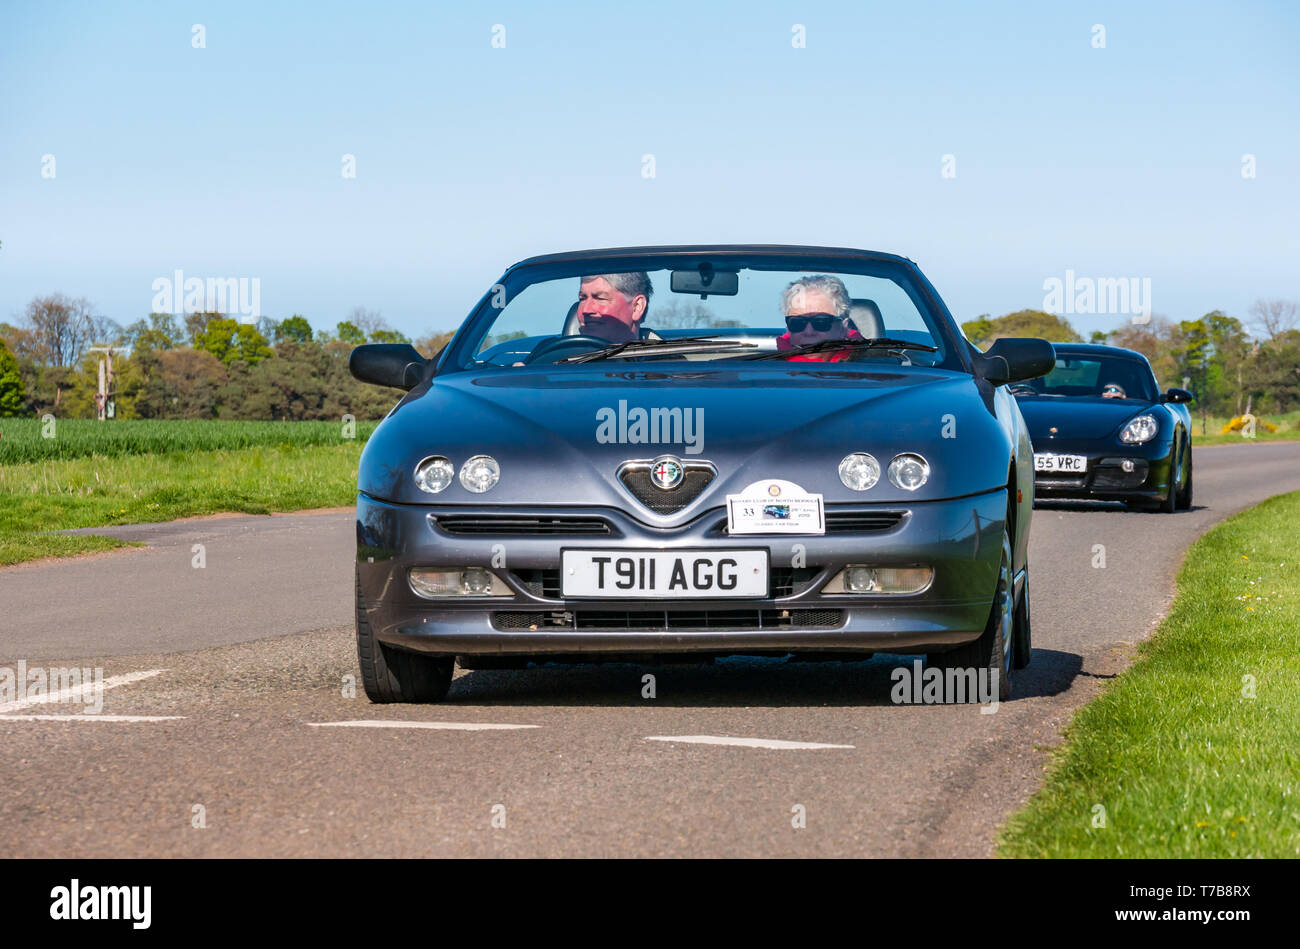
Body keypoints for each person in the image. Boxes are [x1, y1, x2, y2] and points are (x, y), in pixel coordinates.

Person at [774, 274, 863, 361]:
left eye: (821, 322)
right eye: (797, 323)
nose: (808, 332)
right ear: (788, 329)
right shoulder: (768, 369)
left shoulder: (869, 366)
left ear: (843, 329)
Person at [574, 272, 657, 343]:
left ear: (637, 307)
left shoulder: (664, 360)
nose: (586, 310)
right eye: (582, 299)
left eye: (600, 298)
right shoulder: (564, 360)